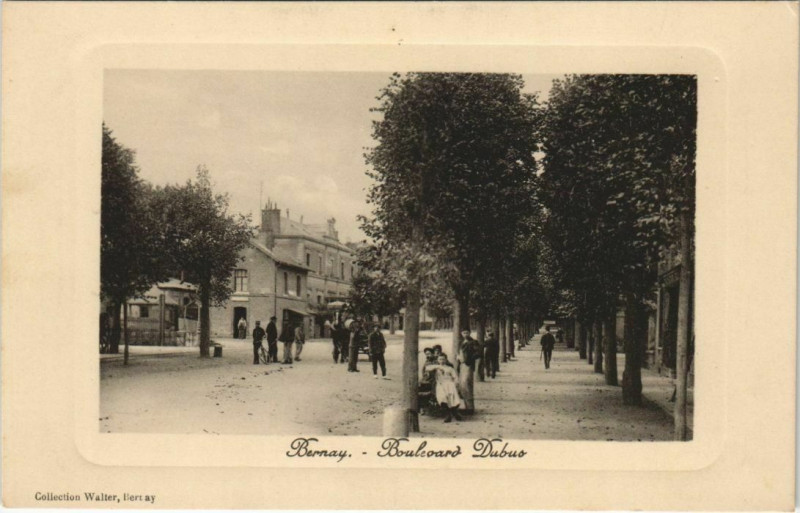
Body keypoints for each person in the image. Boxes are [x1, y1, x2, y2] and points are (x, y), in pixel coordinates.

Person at [426, 353, 464, 423]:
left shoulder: (449, 368)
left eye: (443, 359)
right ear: (438, 360)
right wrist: (437, 366)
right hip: (440, 384)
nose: (442, 361)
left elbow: (455, 377)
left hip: (449, 384)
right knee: (442, 398)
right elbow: (427, 368)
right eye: (440, 359)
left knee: (453, 399)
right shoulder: (436, 367)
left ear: (446, 360)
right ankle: (448, 414)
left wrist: (456, 383)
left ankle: (453, 413)